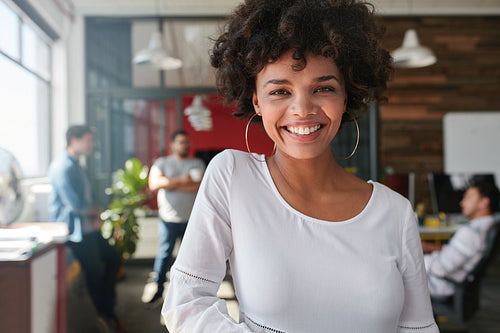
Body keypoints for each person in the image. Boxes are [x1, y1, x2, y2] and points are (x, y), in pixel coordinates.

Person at [162, 1, 438, 332]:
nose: (303, 109)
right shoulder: (233, 177)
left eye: (323, 88)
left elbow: (419, 328)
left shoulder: (394, 212)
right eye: (280, 91)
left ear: (346, 96)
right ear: (257, 102)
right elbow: (186, 303)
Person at [48, 125, 124, 332]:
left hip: (88, 227)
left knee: (113, 259)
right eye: (89, 140)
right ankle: (106, 314)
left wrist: (95, 214)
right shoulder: (62, 167)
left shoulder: (77, 164)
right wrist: (95, 212)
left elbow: (86, 197)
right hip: (76, 232)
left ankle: (107, 307)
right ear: (74, 139)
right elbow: (75, 205)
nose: (92, 144)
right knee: (94, 274)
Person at [144, 130, 205, 307]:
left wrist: (170, 184)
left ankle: (191, 297)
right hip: (168, 220)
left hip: (191, 221)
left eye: (186, 142)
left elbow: (200, 186)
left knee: (193, 259)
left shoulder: (196, 163)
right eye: (180, 142)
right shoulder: (162, 163)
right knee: (164, 256)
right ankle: (158, 291)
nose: (184, 145)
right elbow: (154, 184)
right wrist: (183, 180)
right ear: (172, 145)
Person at [422, 180, 500, 297]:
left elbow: (439, 269)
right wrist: (429, 247)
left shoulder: (470, 233)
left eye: (468, 198)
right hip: (456, 282)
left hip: (440, 284)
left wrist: (416, 259)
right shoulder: (489, 225)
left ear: (484, 202)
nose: (462, 202)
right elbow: (458, 253)